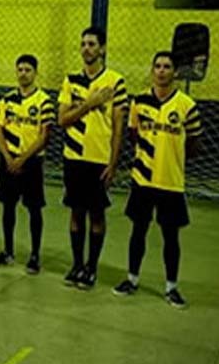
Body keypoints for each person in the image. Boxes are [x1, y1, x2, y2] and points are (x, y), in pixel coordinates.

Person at [113, 52, 203, 308]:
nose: (162, 71)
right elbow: (133, 135)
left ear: (174, 72)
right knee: (138, 231)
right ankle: (131, 278)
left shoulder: (186, 105)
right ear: (152, 70)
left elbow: (195, 144)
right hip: (142, 179)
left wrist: (171, 159)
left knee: (170, 237)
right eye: (158, 66)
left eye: (167, 67)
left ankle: (171, 286)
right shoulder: (138, 102)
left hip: (171, 182)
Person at [58, 26, 128, 289]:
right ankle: (77, 264)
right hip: (73, 157)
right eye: (83, 43)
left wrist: (113, 163)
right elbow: (63, 119)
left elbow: (118, 127)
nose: (86, 48)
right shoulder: (70, 81)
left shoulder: (115, 81)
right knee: (76, 212)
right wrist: (89, 103)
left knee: (97, 214)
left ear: (103, 48)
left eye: (92, 44)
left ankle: (92, 267)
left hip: (99, 159)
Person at [0, 55, 54, 274]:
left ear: (35, 73)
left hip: (32, 163)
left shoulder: (43, 101)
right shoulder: (6, 100)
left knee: (34, 209)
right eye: (20, 69)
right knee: (8, 206)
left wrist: (23, 159)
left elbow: (44, 136)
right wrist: (9, 158)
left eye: (28, 69)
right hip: (9, 161)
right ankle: (8, 251)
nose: (23, 73)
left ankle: (35, 255)